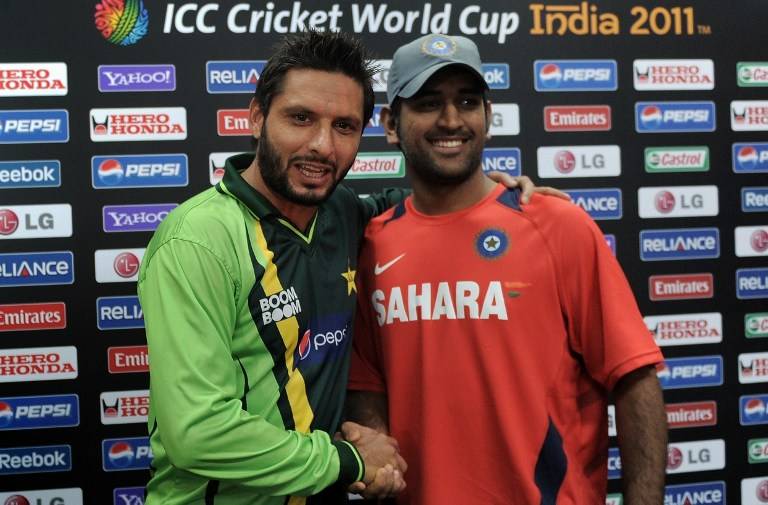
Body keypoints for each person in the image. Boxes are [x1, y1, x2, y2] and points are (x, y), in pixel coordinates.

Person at [138, 30, 552, 505]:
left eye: (344, 126)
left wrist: (504, 195)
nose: (322, 146)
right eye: (300, 118)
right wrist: (349, 462)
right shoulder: (198, 239)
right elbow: (197, 432)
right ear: (256, 116)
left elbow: (435, 207)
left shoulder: (347, 216)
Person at [347, 34, 668, 505]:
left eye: (467, 102)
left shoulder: (558, 226)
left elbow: (635, 380)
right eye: (430, 103)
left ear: (488, 117)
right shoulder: (371, 246)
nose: (451, 120)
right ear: (392, 124)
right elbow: (368, 388)